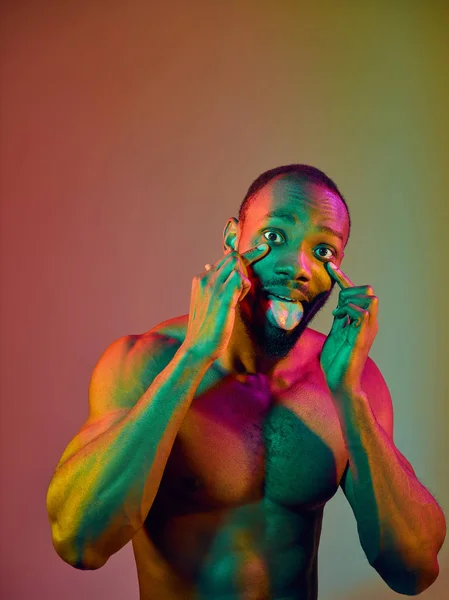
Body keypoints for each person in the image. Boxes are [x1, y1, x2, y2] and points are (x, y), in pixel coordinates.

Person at [47, 164, 446, 599]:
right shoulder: (141, 363)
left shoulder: (353, 382)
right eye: (274, 237)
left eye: (323, 252)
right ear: (233, 238)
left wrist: (349, 399)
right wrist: (193, 358)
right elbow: (79, 541)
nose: (298, 267)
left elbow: (414, 570)